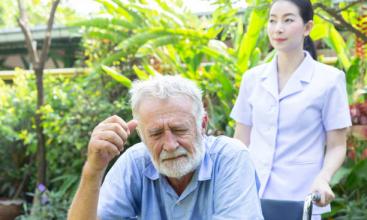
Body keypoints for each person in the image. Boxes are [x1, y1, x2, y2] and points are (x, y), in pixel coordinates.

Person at [68, 75, 263, 220]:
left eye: (179, 130)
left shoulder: (231, 157)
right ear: (141, 136)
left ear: (202, 125)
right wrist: (93, 170)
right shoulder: (135, 162)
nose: (170, 145)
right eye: (156, 134)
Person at [230, 0, 351, 219]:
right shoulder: (252, 79)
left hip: (301, 195)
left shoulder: (330, 80)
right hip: (250, 195)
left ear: (307, 27)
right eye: (273, 20)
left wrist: (324, 177)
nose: (278, 28)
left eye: (288, 20)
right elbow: (240, 140)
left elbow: (337, 145)